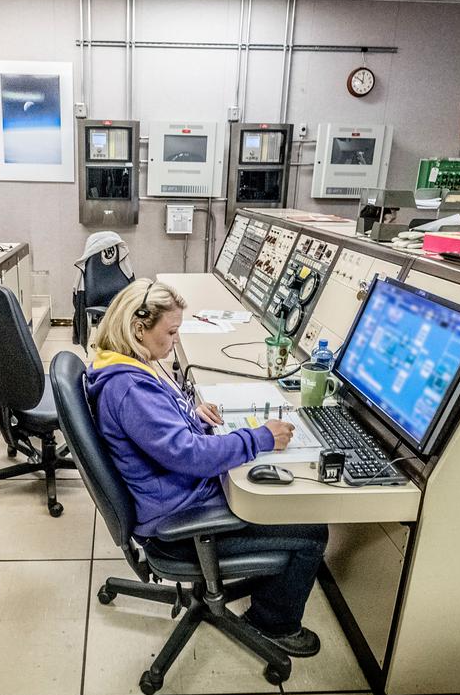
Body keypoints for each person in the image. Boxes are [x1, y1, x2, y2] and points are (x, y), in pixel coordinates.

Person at [86, 279, 330, 657]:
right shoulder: (130, 388)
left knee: (282, 500)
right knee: (311, 528)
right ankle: (273, 624)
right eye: (170, 332)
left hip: (170, 494)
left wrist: (189, 415)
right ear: (138, 328)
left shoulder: (123, 365)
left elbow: (159, 432)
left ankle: (267, 595)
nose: (172, 342)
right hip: (180, 515)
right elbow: (191, 456)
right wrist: (261, 438)